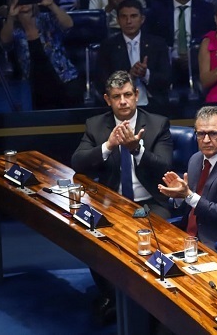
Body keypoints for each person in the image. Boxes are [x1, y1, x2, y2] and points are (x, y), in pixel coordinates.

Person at [71, 70, 173, 323]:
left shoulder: (158, 124)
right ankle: (111, 295)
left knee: (149, 243)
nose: (124, 101)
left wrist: (136, 149)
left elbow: (164, 167)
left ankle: (151, 304)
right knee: (90, 238)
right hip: (111, 203)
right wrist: (108, 146)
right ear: (108, 99)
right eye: (117, 97)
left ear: (137, 95)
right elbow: (77, 163)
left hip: (150, 202)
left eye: (128, 94)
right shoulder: (96, 125)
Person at [158, 105, 217, 267]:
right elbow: (190, 206)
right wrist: (178, 197)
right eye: (201, 134)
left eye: (213, 133)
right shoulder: (196, 159)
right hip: (189, 238)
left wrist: (187, 195)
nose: (206, 140)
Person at [0, 0, 83, 109]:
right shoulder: (12, 27)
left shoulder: (46, 19)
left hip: (63, 78)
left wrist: (51, 5)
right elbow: (5, 42)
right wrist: (11, 16)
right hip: (33, 84)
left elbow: (68, 24)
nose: (24, 2)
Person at [96, 0, 171, 110]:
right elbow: (102, 82)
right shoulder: (108, 46)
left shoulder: (157, 44)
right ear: (118, 20)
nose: (129, 21)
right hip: (120, 104)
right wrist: (128, 77)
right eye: (124, 17)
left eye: (133, 16)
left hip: (153, 102)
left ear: (142, 19)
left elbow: (167, 78)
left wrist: (146, 74)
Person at [148, 0, 215, 85]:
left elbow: (213, 40)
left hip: (198, 63)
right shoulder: (158, 10)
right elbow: (151, 40)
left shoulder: (207, 10)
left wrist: (194, 56)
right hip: (167, 62)